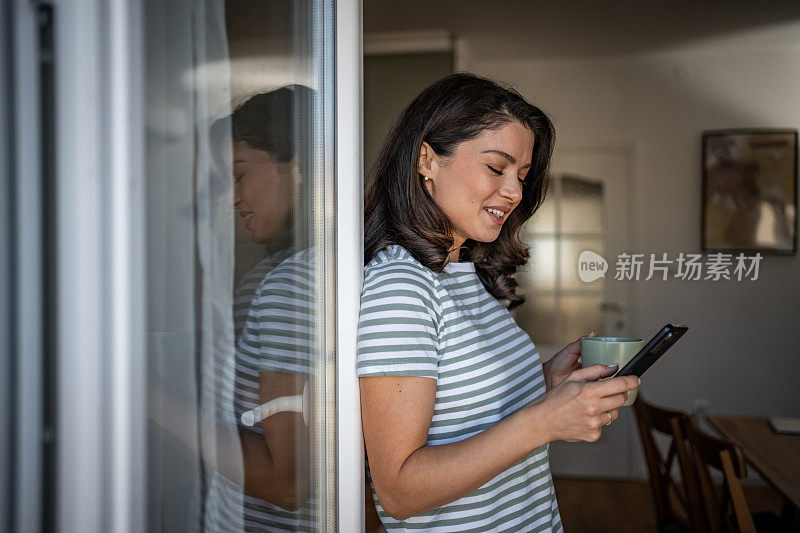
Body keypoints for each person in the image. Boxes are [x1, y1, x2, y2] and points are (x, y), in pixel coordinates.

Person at [358, 73, 640, 532]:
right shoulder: (400, 289)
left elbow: (470, 413)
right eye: (496, 167)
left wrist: (548, 382)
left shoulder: (465, 274)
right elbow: (399, 491)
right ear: (426, 160)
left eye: (522, 176)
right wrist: (544, 422)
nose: (514, 192)